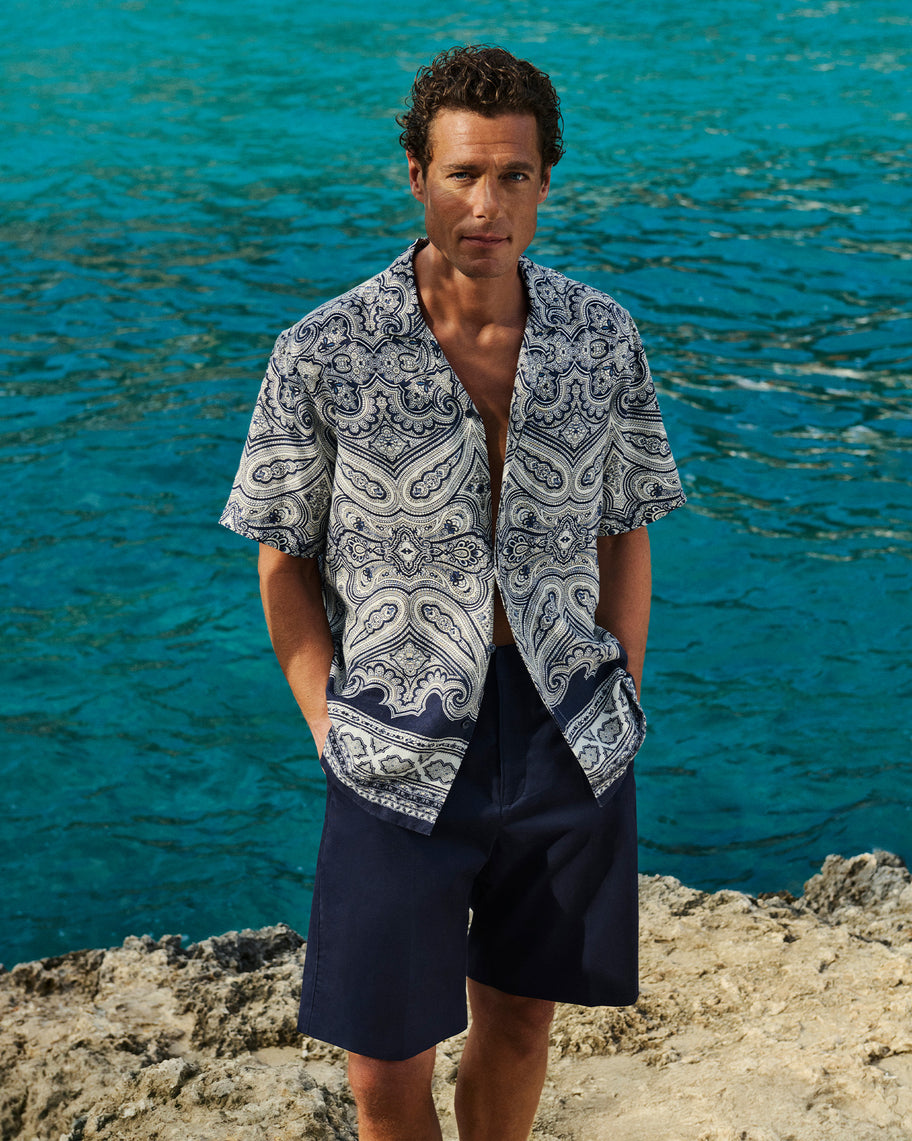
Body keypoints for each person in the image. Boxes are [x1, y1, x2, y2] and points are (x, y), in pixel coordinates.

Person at [221, 44, 686, 1141]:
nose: (488, 203)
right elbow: (281, 558)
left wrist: (622, 688)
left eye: (514, 176)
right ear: (418, 177)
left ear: (545, 181)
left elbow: (628, 526)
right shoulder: (322, 350)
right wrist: (326, 720)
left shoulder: (602, 335)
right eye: (464, 173)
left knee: (521, 1021)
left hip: (567, 730)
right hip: (390, 731)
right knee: (384, 1071)